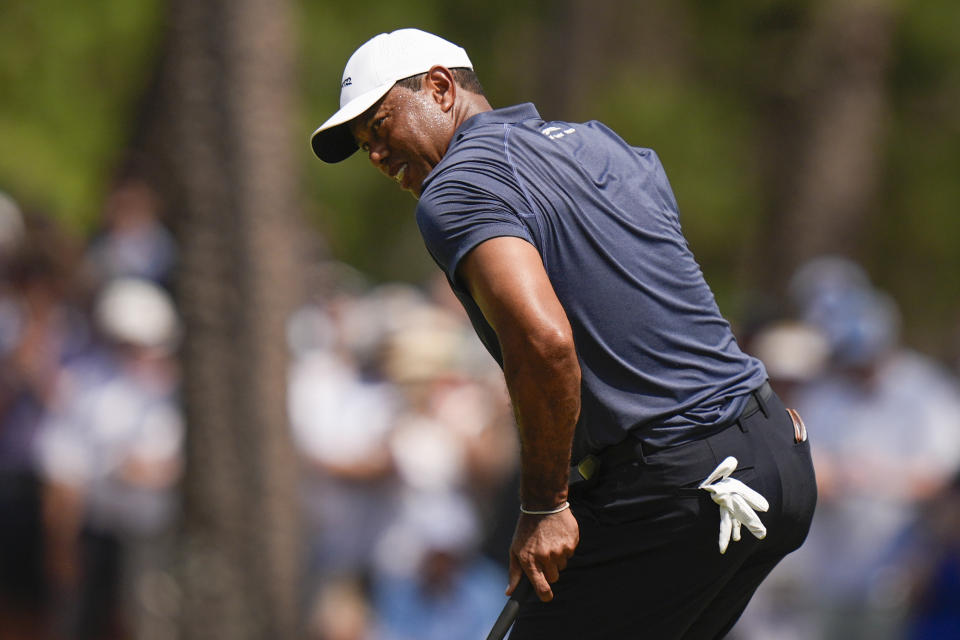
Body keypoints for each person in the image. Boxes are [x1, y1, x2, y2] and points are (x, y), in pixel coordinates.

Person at [310, 28, 817, 639]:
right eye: (364, 142)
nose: (375, 154)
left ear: (441, 88)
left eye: (381, 125)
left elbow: (543, 343)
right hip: (772, 453)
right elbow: (665, 298)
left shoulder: (457, 186)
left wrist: (544, 506)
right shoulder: (603, 145)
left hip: (683, 480)